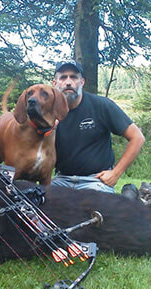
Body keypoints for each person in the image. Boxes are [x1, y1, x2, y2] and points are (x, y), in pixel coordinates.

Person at [51, 60, 145, 192]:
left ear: (82, 82)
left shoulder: (102, 105)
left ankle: (129, 197)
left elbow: (137, 137)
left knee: (95, 211)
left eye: (73, 77)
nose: (68, 82)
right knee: (39, 206)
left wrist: (116, 173)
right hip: (61, 180)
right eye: (63, 77)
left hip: (95, 181)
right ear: (55, 83)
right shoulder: (48, 113)